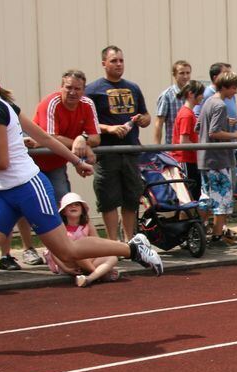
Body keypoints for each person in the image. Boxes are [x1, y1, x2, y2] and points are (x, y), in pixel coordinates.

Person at [0, 51, 162, 356]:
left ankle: (133, 247)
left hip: (27, 188)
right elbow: (46, 138)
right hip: (4, 194)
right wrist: (77, 160)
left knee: (67, 250)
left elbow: (0, 160)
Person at [19, 69, 101, 264]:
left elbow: (96, 137)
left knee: (64, 203)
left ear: (84, 90)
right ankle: (27, 248)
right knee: (24, 205)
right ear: (61, 87)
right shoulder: (51, 103)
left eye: (77, 89)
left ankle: (64, 247)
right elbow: (49, 138)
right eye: (68, 88)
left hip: (57, 163)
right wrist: (78, 144)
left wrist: (83, 139)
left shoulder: (87, 104)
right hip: (31, 163)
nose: (72, 92)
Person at [86, 45, 149, 242]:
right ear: (104, 63)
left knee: (131, 198)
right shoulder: (93, 90)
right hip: (106, 153)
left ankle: (129, 241)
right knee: (108, 199)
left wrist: (143, 120)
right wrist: (108, 129)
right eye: (114, 61)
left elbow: (146, 115)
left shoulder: (133, 87)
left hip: (131, 150)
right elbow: (87, 121)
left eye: (121, 60)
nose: (119, 64)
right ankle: (113, 243)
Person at [198, 71, 237, 247]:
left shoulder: (208, 102)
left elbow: (199, 125)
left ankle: (196, 230)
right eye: (234, 88)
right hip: (218, 160)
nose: (235, 92)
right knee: (222, 199)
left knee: (206, 199)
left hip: (205, 159)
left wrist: (226, 123)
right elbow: (213, 132)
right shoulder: (220, 105)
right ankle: (216, 235)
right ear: (225, 87)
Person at [44, 192, 120, 287]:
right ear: (63, 211)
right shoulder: (60, 227)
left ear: (82, 209)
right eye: (69, 205)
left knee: (113, 258)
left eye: (77, 205)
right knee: (76, 252)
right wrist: (66, 269)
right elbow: (53, 251)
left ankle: (89, 278)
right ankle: (101, 274)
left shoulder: (87, 224)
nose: (73, 207)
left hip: (86, 260)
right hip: (68, 262)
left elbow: (96, 242)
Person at [171, 80, 205, 201]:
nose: (202, 96)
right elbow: (183, 141)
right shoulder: (187, 115)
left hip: (189, 159)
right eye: (200, 93)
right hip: (185, 160)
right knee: (188, 198)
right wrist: (201, 146)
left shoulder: (188, 113)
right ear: (191, 94)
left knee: (192, 196)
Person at [154, 60, 192, 146]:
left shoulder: (193, 95)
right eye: (182, 73)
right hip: (174, 149)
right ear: (174, 75)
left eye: (188, 73)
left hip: (191, 147)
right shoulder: (166, 96)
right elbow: (158, 124)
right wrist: (156, 149)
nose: (185, 76)